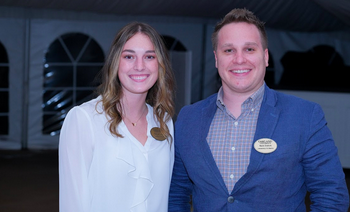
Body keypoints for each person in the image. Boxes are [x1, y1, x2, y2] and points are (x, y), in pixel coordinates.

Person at [168, 8, 349, 211]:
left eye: (249, 49)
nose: (239, 59)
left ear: (265, 57)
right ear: (216, 59)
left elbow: (331, 195)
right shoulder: (188, 118)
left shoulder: (305, 116)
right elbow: (176, 193)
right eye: (229, 50)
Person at [59, 22, 176, 212]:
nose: (139, 66)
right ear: (115, 62)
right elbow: (72, 204)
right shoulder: (84, 120)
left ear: (160, 64)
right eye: (129, 56)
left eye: (149, 56)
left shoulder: (164, 122)